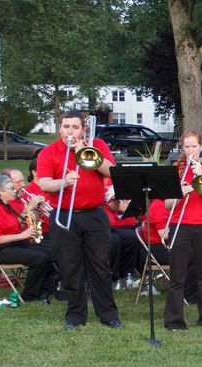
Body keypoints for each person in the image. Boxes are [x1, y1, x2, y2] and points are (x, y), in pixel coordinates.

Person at [36, 111, 121, 329]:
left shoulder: (97, 145)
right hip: (64, 215)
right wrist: (63, 182)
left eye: (75, 127)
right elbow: (44, 184)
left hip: (94, 214)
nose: (70, 132)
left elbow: (111, 172)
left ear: (83, 129)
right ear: (60, 128)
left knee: (100, 267)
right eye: (66, 127)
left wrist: (87, 152)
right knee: (70, 267)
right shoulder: (49, 152)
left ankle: (108, 315)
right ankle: (75, 315)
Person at [163, 128, 202, 331]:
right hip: (181, 226)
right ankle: (174, 321)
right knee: (177, 276)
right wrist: (179, 193)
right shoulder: (176, 169)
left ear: (201, 147)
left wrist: (201, 176)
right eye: (186, 147)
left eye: (194, 146)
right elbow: (167, 205)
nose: (190, 151)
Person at [0, 174, 58, 302]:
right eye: (11, 188)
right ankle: (29, 295)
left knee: (54, 249)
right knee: (39, 259)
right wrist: (22, 235)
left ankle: (47, 286)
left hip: (15, 243)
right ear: (1, 192)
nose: (14, 190)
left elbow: (17, 224)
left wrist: (34, 214)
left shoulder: (6, 205)